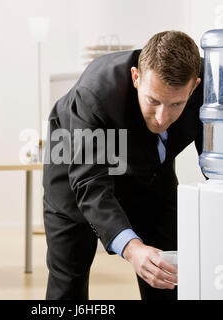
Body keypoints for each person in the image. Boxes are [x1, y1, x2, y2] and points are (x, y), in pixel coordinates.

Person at [42, 30, 203, 300]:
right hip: (75, 172)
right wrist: (132, 248)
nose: (163, 118)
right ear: (136, 78)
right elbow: (90, 184)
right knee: (68, 281)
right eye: (153, 100)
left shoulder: (211, 88)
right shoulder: (95, 93)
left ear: (195, 87)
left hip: (151, 175)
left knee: (167, 275)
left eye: (176, 104)